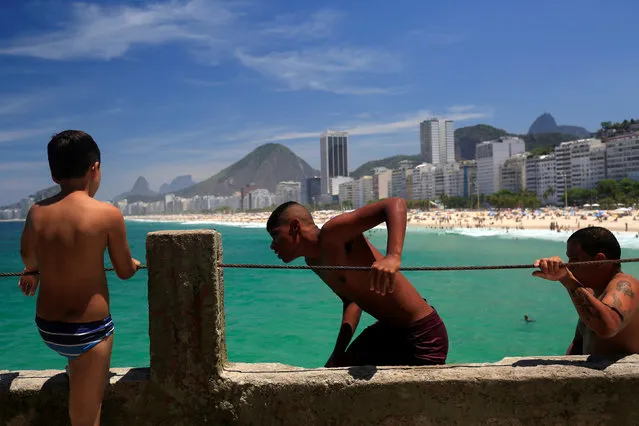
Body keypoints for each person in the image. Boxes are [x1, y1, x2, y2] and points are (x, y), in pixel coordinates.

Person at [18, 130, 140, 426]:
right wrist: (135, 263)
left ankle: (77, 368)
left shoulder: (37, 212)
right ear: (94, 168)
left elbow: (27, 257)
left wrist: (34, 271)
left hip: (48, 327)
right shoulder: (107, 214)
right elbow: (123, 271)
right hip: (90, 331)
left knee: (80, 376)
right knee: (86, 417)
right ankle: (82, 372)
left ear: (53, 173)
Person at [266, 198, 448, 367]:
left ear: (295, 227)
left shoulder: (334, 233)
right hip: (387, 332)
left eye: (275, 235)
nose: (272, 245)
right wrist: (337, 354)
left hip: (423, 336)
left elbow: (394, 204)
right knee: (336, 375)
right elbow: (352, 301)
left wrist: (393, 256)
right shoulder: (313, 262)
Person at [533, 226, 639, 357]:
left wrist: (567, 279)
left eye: (575, 259)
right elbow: (578, 345)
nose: (569, 266)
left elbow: (607, 327)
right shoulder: (591, 293)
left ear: (599, 260)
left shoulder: (626, 284)